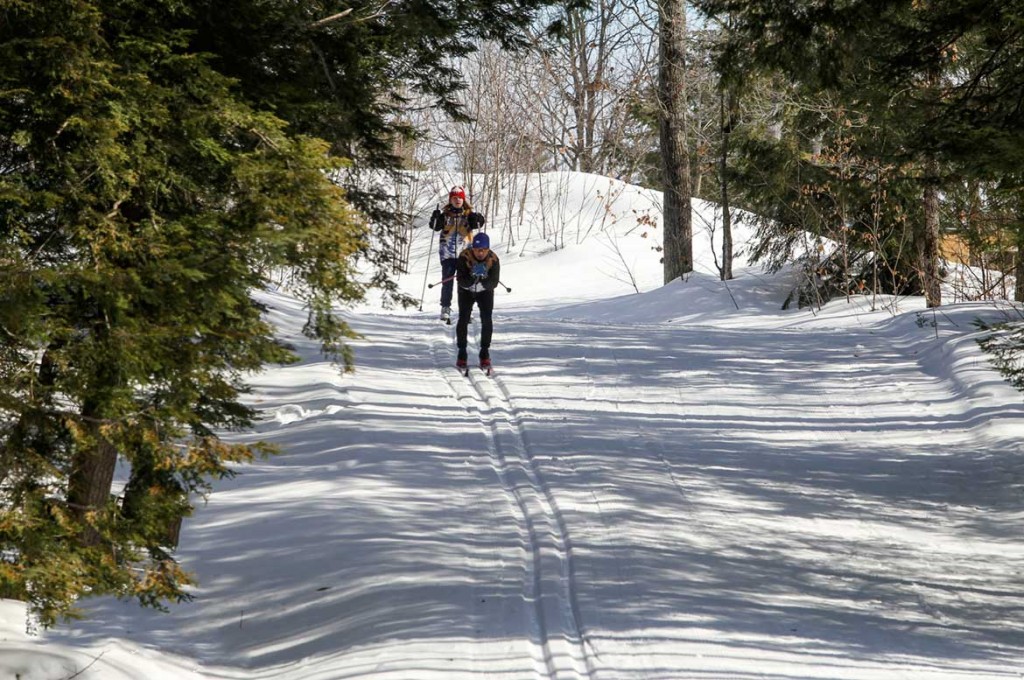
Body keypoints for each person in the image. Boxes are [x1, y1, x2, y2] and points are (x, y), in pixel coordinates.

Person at [430, 186, 485, 323]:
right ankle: (445, 308)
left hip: (465, 255)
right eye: (455, 198)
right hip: (447, 255)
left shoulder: (468, 215)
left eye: (460, 197)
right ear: (450, 200)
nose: (458, 200)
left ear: (463, 199)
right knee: (447, 282)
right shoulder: (445, 215)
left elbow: (477, 224)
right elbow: (435, 226)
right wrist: (435, 218)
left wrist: (479, 218)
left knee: (466, 283)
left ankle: (467, 310)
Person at [455, 231, 500, 371]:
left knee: (487, 319)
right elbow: (460, 279)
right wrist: (473, 277)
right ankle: (462, 352)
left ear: (488, 249)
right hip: (466, 291)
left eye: (483, 250)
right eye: (477, 250)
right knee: (463, 318)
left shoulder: (493, 259)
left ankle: (484, 352)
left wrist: (483, 282)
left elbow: (494, 281)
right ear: (472, 248)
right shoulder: (464, 257)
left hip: (485, 291)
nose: (480, 253)